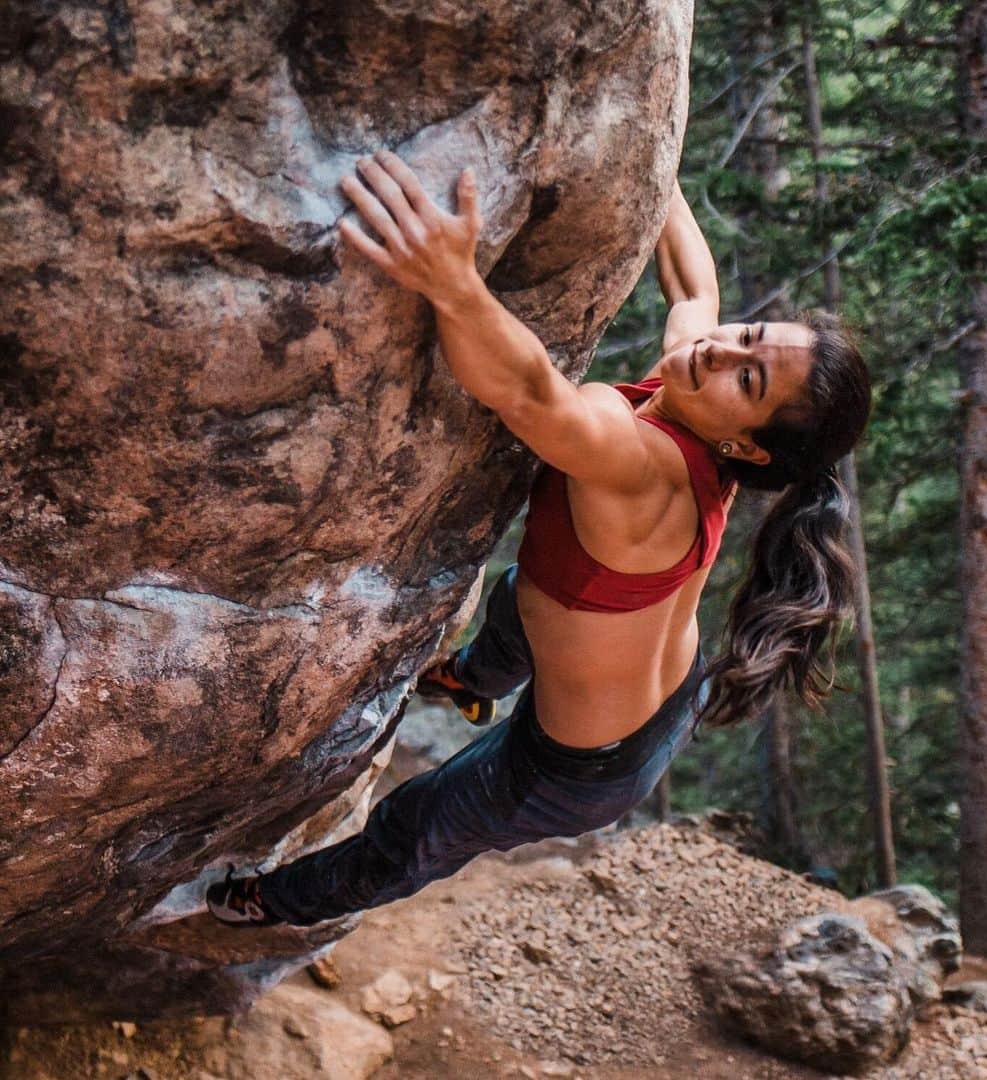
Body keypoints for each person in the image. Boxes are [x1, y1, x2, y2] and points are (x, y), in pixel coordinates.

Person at [207, 151, 870, 927]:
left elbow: (528, 392)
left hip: (577, 766)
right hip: (657, 691)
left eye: (748, 378)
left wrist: (453, 282)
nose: (719, 350)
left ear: (752, 449)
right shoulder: (699, 395)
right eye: (749, 335)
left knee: (416, 828)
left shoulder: (644, 468)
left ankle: (269, 901)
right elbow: (695, 288)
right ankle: (470, 681)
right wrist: (656, 159)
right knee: (522, 598)